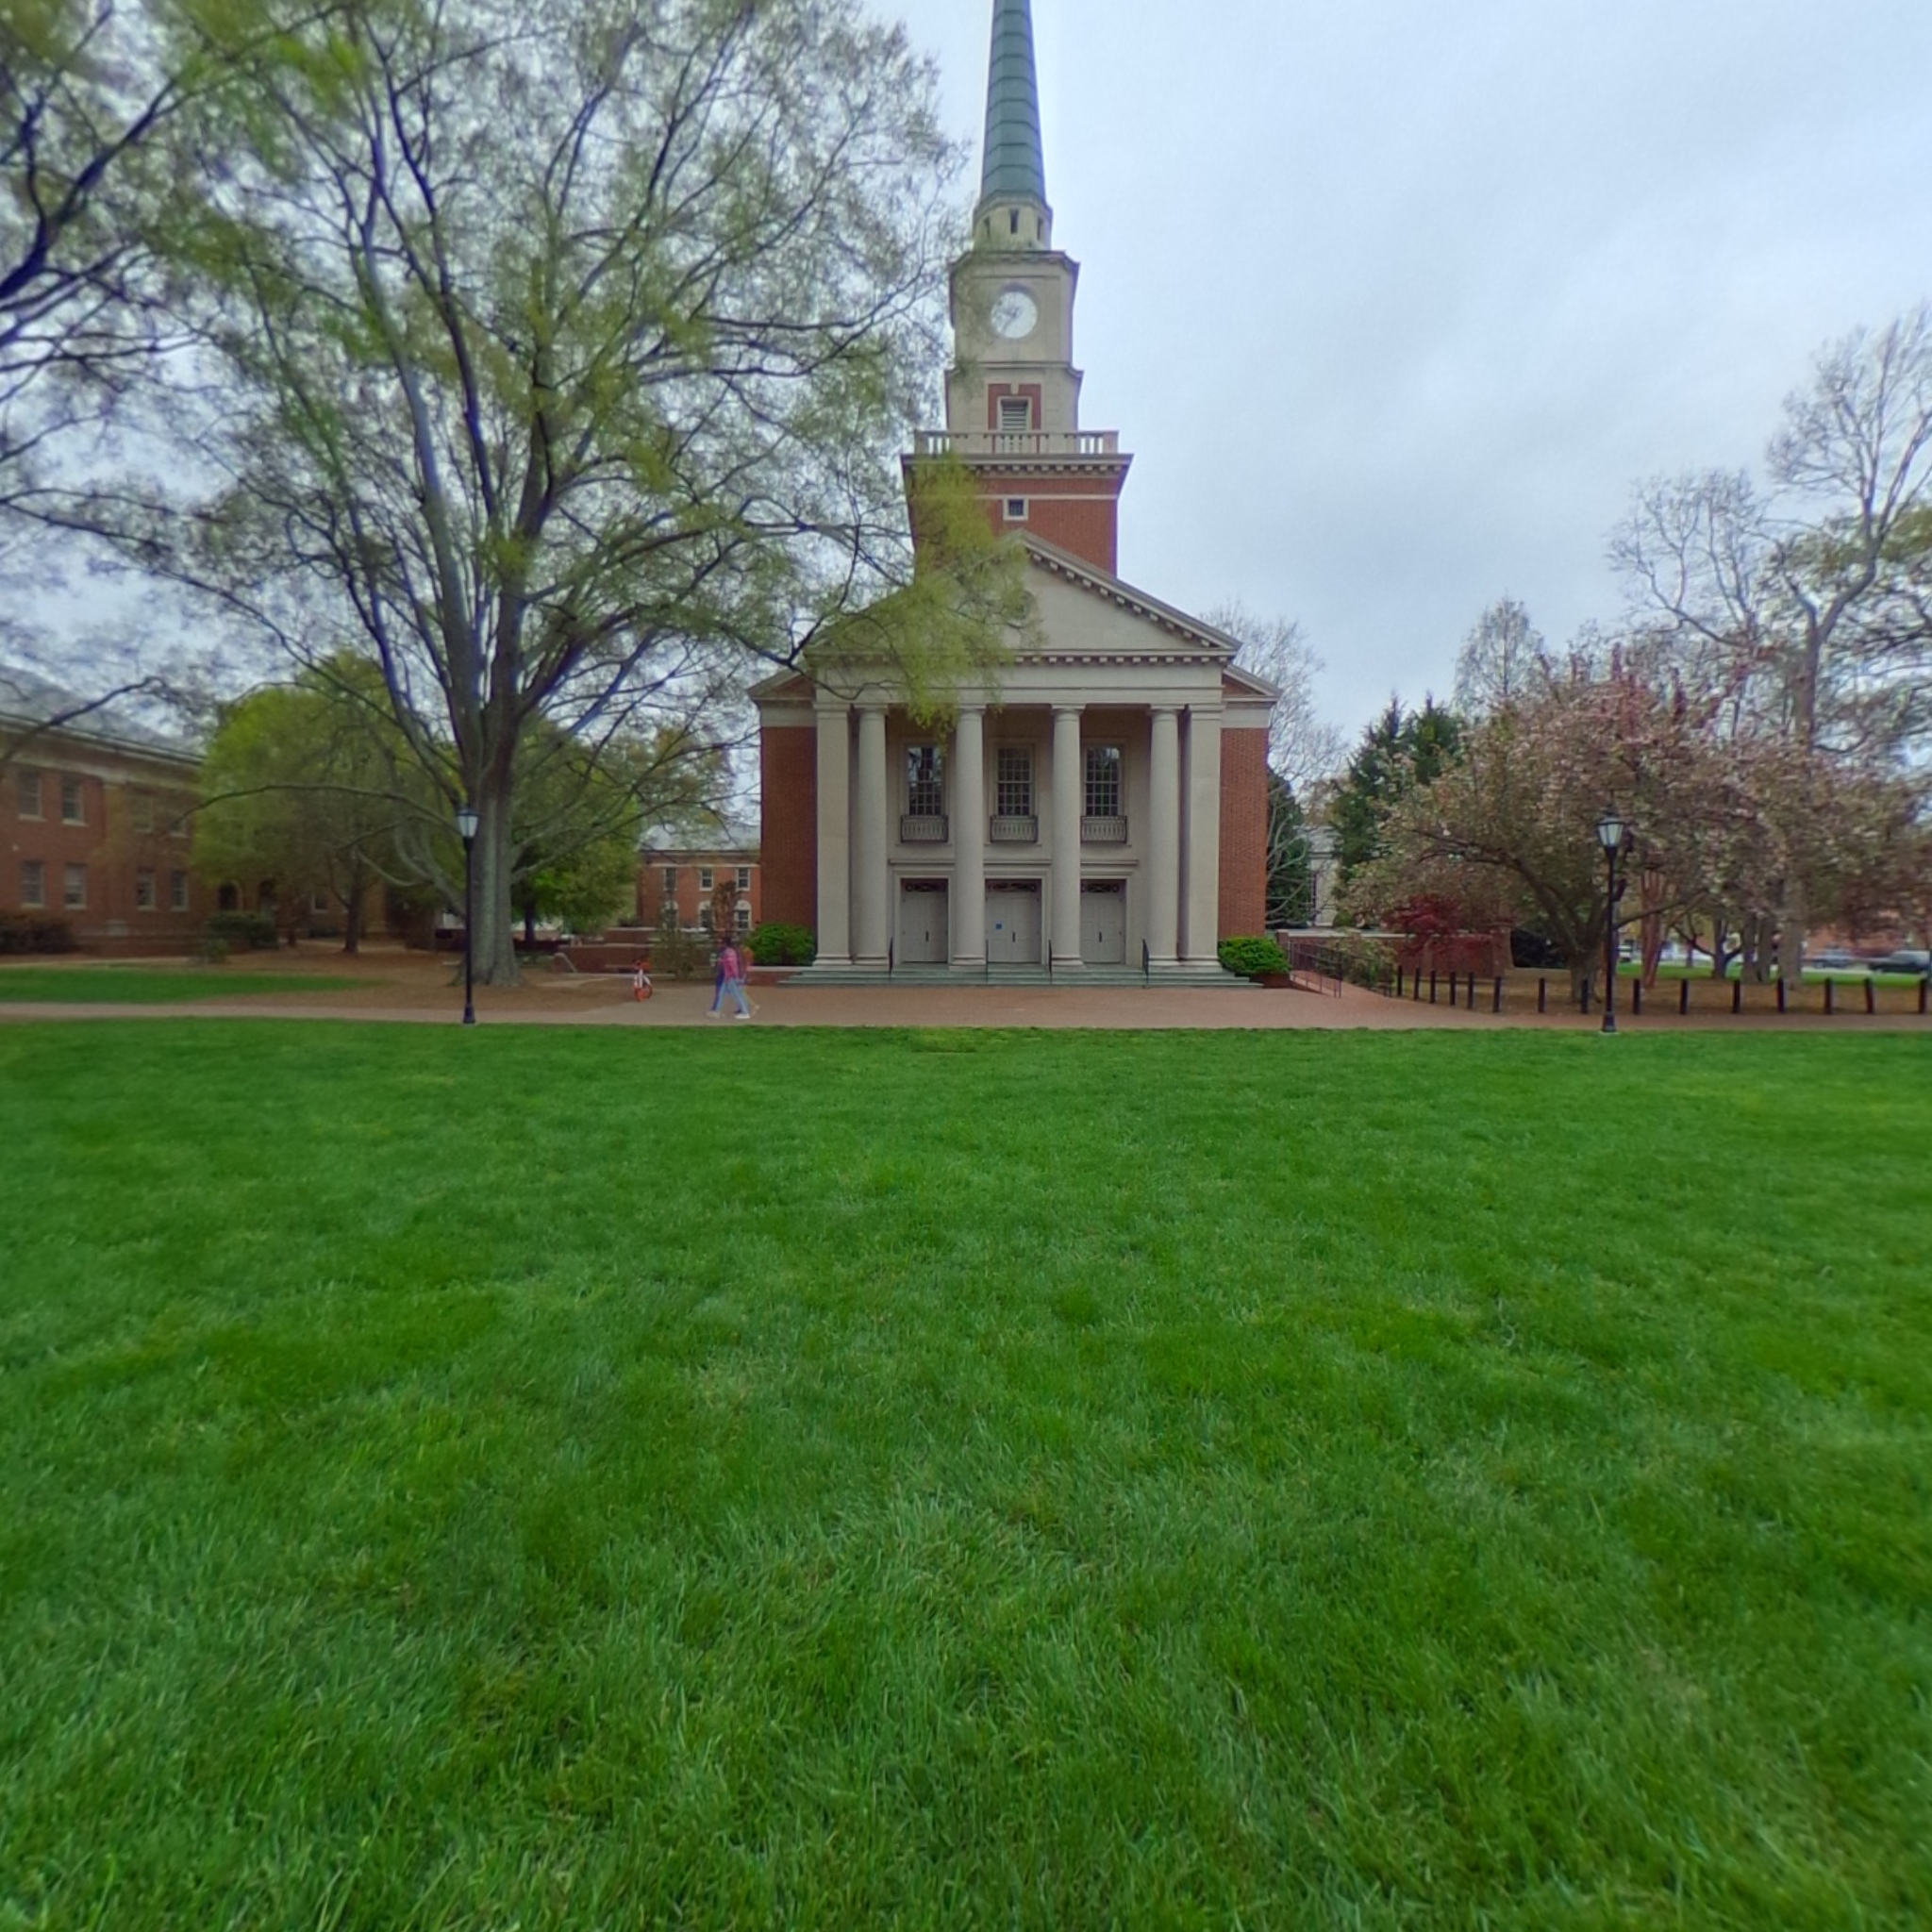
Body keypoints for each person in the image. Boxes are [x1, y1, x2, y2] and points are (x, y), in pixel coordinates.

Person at [716, 937, 754, 1021]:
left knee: (737, 994)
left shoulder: (732, 953)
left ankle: (745, 1011)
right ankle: (717, 1010)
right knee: (728, 993)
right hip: (732, 976)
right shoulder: (733, 952)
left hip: (734, 976)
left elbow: (734, 966)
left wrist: (738, 977)